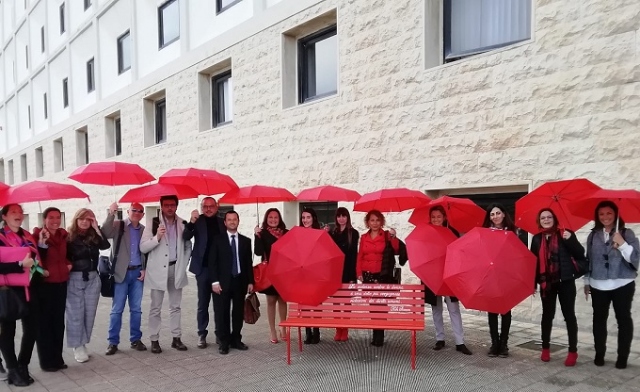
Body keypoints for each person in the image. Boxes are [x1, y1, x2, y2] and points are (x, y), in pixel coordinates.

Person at [584, 201, 639, 369]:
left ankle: (622, 356)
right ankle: (599, 353)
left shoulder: (626, 233)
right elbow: (589, 260)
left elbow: (635, 259)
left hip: (622, 283)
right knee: (599, 320)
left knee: (623, 319)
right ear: (597, 217)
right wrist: (587, 281)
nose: (605, 217)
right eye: (601, 214)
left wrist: (622, 244)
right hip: (598, 284)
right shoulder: (593, 235)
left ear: (615, 214)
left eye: (609, 213)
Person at [530, 208, 586, 366]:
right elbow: (533, 263)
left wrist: (571, 240)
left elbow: (580, 254)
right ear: (539, 221)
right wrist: (532, 283)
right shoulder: (536, 239)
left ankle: (573, 351)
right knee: (547, 316)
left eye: (549, 217)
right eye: (543, 218)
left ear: (554, 218)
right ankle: (545, 348)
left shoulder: (565, 234)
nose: (546, 220)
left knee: (569, 316)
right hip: (547, 283)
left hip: (566, 281)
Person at [140, 195, 192, 354]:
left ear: (176, 206)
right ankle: (154, 339)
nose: (170, 208)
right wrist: (157, 237)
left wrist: (183, 264)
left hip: (176, 268)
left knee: (175, 306)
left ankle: (176, 338)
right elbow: (143, 248)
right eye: (166, 205)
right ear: (161, 206)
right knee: (155, 307)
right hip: (157, 271)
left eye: (172, 205)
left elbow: (188, 246)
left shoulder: (183, 223)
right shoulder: (153, 223)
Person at [424, 206, 472, 355]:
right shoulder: (427, 233)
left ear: (444, 217)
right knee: (436, 308)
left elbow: (460, 253)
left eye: (439, 216)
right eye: (433, 217)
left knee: (453, 308)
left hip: (450, 275)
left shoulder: (453, 232)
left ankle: (460, 342)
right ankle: (440, 339)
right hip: (432, 274)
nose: (436, 219)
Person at [0, 204, 39, 386]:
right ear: (4, 216)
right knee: (7, 332)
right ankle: (12, 370)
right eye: (13, 212)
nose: (18, 215)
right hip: (8, 290)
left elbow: (36, 260)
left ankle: (23, 365)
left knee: (32, 329)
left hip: (30, 287)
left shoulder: (27, 236)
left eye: (20, 212)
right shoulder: (0, 237)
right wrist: (19, 265)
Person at [102, 202, 147, 355]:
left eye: (140, 211)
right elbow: (105, 233)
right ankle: (112, 342)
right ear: (128, 211)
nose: (137, 212)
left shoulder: (143, 230)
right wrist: (111, 212)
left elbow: (146, 252)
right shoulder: (118, 225)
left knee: (136, 310)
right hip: (121, 273)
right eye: (134, 210)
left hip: (137, 274)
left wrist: (144, 268)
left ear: (143, 214)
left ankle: (135, 339)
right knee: (117, 310)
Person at [66, 208, 111, 363]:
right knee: (75, 314)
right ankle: (77, 346)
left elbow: (105, 246)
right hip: (75, 277)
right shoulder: (69, 236)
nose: (84, 222)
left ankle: (82, 343)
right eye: (82, 219)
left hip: (93, 277)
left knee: (89, 313)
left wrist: (97, 228)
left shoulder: (93, 235)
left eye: (88, 219)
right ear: (76, 220)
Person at [209, 211, 254, 355]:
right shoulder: (217, 240)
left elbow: (248, 263)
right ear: (225, 222)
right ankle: (224, 342)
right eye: (229, 220)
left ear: (238, 221)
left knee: (237, 312)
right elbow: (212, 263)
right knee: (222, 313)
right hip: (222, 283)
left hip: (239, 281)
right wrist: (214, 281)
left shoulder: (246, 241)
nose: (232, 222)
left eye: (234, 219)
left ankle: (236, 339)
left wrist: (250, 281)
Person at [183, 197, 226, 348]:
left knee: (219, 304)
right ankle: (202, 334)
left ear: (216, 206)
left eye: (211, 206)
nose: (208, 209)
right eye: (205, 206)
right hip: (203, 269)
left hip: (219, 270)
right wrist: (191, 222)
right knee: (203, 303)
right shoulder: (197, 220)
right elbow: (185, 237)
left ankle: (220, 334)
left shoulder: (223, 222)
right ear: (201, 208)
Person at [32, 207, 71, 371]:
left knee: (58, 323)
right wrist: (42, 243)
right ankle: (47, 362)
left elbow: (67, 255)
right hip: (45, 285)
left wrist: (70, 264)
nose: (55, 220)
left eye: (57, 217)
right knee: (45, 324)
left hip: (61, 284)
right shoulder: (36, 236)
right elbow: (33, 262)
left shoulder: (63, 235)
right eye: (51, 218)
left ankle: (57, 358)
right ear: (44, 219)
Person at [356, 209, 399, 347]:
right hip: (368, 273)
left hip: (382, 274)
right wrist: (359, 273)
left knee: (382, 306)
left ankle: (379, 335)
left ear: (382, 221)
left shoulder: (387, 235)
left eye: (377, 220)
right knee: (372, 306)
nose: (375, 223)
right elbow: (360, 256)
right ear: (368, 222)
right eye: (372, 220)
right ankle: (375, 333)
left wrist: (394, 237)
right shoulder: (363, 237)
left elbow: (397, 250)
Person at [482, 203, 517, 358]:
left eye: (497, 213)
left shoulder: (512, 232)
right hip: (490, 275)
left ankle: (504, 344)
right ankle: (494, 343)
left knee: (505, 310)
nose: (495, 217)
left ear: (504, 214)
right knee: (492, 311)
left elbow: (516, 254)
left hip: (506, 275)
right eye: (492, 214)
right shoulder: (485, 232)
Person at [254, 208, 289, 344]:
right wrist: (256, 235)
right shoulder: (262, 233)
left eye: (275, 217)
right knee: (271, 302)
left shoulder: (286, 233)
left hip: (284, 271)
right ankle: (272, 330)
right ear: (266, 219)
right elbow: (257, 252)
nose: (273, 220)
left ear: (279, 219)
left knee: (282, 300)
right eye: (270, 217)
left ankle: (283, 328)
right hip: (270, 272)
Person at [329, 207, 359, 341]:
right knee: (336, 302)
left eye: (344, 216)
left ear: (347, 217)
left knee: (346, 303)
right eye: (339, 216)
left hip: (348, 271)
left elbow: (353, 256)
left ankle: (345, 329)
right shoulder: (333, 233)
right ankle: (337, 328)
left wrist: (353, 276)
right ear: (336, 218)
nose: (341, 218)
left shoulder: (353, 233)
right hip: (335, 272)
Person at [300, 207, 322, 344]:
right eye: (303, 218)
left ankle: (316, 331)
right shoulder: (298, 233)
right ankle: (308, 332)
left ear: (313, 218)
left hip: (315, 273)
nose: (305, 220)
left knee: (316, 303)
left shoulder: (319, 233)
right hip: (302, 274)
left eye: (308, 217)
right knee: (305, 304)